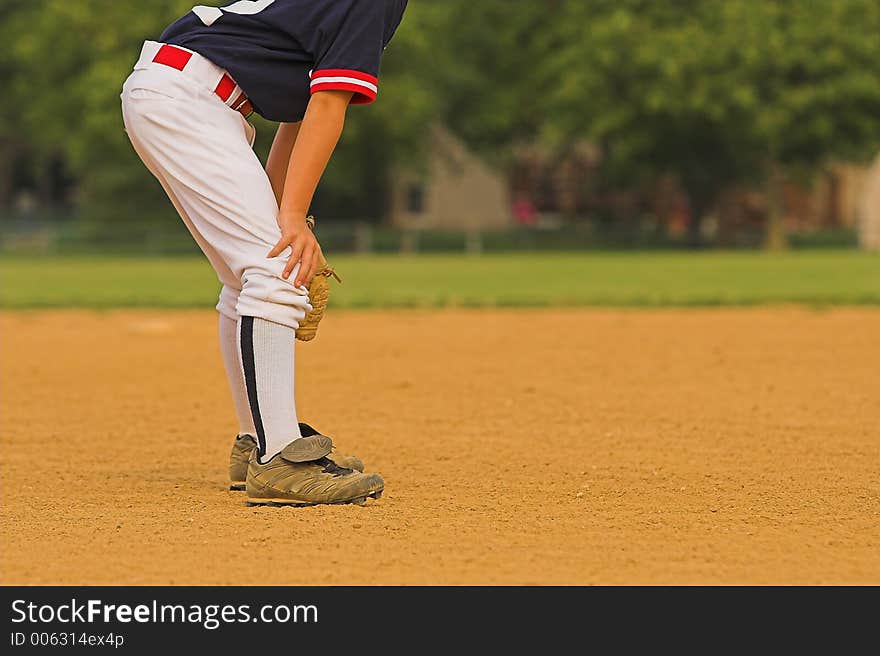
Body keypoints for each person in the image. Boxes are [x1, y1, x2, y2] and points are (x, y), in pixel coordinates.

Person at [121, 0, 408, 506]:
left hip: (180, 91)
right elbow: (326, 107)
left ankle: (258, 438)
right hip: (190, 100)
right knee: (275, 270)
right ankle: (279, 458)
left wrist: (281, 214)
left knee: (253, 272)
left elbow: (305, 104)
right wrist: (293, 221)